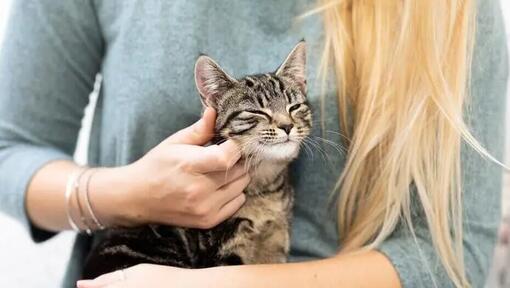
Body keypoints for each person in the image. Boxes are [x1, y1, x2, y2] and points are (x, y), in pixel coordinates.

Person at [0, 0, 507, 287]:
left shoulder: (452, 11)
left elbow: (453, 254)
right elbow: (9, 149)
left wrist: (213, 287)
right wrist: (122, 194)